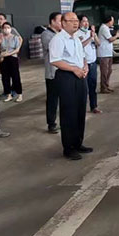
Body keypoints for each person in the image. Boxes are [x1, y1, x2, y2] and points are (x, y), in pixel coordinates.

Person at [49, 12, 91, 160]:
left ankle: (78, 143)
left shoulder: (76, 38)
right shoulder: (58, 39)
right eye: (71, 21)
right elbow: (55, 60)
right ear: (63, 22)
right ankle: (69, 147)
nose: (75, 23)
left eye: (76, 20)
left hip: (80, 76)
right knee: (69, 113)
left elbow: (82, 56)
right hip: (67, 77)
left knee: (80, 110)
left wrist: (85, 66)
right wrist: (74, 69)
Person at [41, 12, 62, 134]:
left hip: (62, 71)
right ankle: (51, 123)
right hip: (52, 73)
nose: (62, 24)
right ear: (53, 21)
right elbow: (54, 48)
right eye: (60, 21)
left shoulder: (59, 34)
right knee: (52, 100)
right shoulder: (46, 34)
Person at [76, 15, 100, 114]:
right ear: (79, 23)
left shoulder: (91, 33)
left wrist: (94, 35)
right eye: (84, 21)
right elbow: (80, 45)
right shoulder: (77, 34)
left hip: (93, 63)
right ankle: (81, 108)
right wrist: (90, 38)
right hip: (83, 64)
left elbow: (98, 44)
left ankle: (94, 106)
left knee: (92, 86)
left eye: (87, 21)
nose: (86, 24)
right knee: (83, 88)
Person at [0, 21, 23, 103]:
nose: (6, 29)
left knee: (15, 76)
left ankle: (19, 94)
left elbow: (17, 49)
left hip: (13, 58)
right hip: (3, 59)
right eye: (4, 28)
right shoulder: (0, 38)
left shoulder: (15, 37)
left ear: (11, 29)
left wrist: (8, 54)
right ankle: (8, 94)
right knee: (5, 77)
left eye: (8, 27)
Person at [98, 15, 119, 94]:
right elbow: (110, 39)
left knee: (109, 70)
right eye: (112, 20)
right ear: (109, 21)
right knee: (104, 71)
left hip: (108, 53)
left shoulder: (106, 28)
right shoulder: (104, 28)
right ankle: (103, 87)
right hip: (104, 54)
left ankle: (106, 85)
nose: (113, 22)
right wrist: (116, 35)